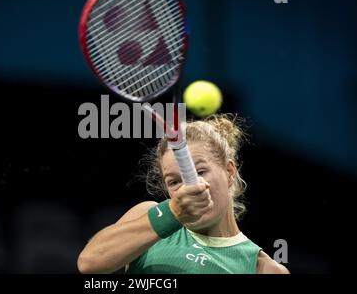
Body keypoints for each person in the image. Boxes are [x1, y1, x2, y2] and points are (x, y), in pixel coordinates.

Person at [77, 114, 289, 274]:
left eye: (200, 171)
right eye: (174, 181)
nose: (189, 185)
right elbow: (89, 263)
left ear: (229, 172)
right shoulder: (148, 218)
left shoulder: (264, 268)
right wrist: (172, 214)